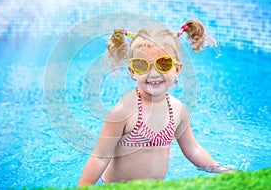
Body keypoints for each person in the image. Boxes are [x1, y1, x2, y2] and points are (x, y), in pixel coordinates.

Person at [77, 19, 232, 186]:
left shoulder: (178, 110)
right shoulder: (123, 112)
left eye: (163, 64)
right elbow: (100, 157)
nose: (153, 73)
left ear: (177, 70)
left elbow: (193, 149)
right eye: (142, 65)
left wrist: (220, 170)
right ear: (132, 71)